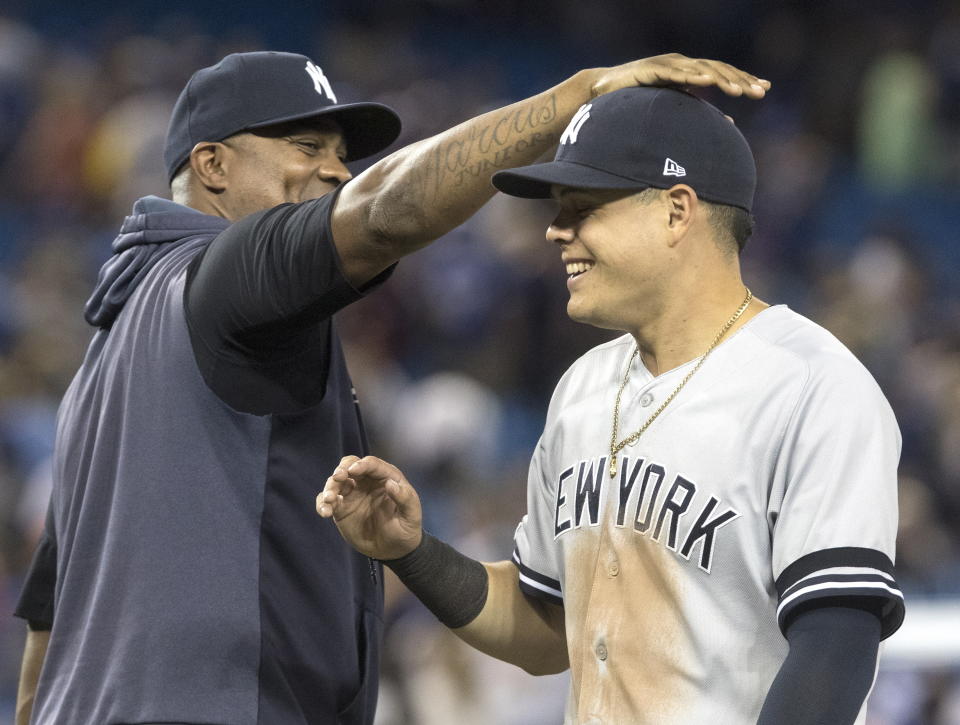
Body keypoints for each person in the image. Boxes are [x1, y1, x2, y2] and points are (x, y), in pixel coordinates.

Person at [12, 49, 768, 725]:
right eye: (305, 146)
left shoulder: (97, 374)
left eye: (342, 154)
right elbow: (383, 215)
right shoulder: (221, 281)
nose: (336, 170)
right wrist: (575, 97)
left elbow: (48, 625)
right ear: (212, 166)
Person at [317, 86, 906, 725]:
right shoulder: (583, 387)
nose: (554, 229)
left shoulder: (812, 386)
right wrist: (410, 552)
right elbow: (545, 627)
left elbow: (837, 646)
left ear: (677, 211)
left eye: (584, 208)